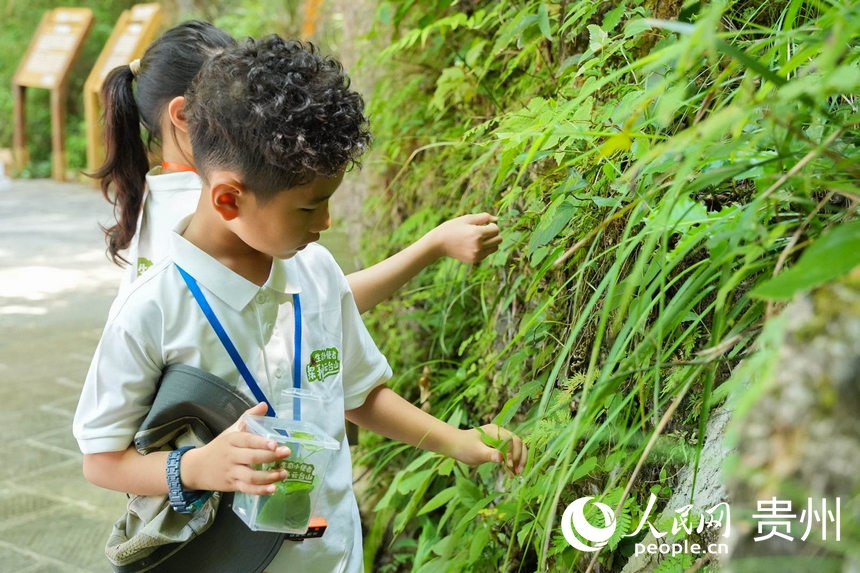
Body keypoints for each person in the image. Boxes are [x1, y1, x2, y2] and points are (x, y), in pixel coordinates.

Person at [73, 35, 527, 572]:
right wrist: (194, 468)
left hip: (334, 554)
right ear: (228, 198)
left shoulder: (315, 269)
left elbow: (356, 395)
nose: (327, 223)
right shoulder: (152, 309)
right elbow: (102, 460)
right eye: (311, 207)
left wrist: (459, 442)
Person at [93, 20, 502, 310]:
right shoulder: (213, 213)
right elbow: (322, 306)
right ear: (183, 115)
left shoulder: (157, 194)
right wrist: (432, 246)